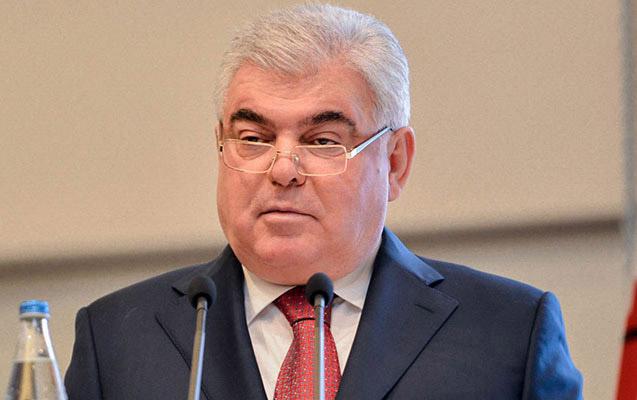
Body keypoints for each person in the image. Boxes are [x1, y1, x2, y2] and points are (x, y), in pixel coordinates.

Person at [65, 4, 583, 399]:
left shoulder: (508, 333)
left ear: (395, 162)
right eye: (254, 138)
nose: (283, 170)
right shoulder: (116, 341)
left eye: (322, 141)